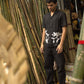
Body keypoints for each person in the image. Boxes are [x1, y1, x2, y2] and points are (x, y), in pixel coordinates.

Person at [40, 0, 67, 84]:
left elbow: (64, 29)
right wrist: (42, 44)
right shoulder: (45, 16)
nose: (49, 7)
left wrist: (61, 44)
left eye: (51, 5)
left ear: (56, 4)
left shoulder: (61, 15)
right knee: (47, 66)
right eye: (48, 6)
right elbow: (44, 30)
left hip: (57, 45)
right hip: (47, 45)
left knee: (60, 66)